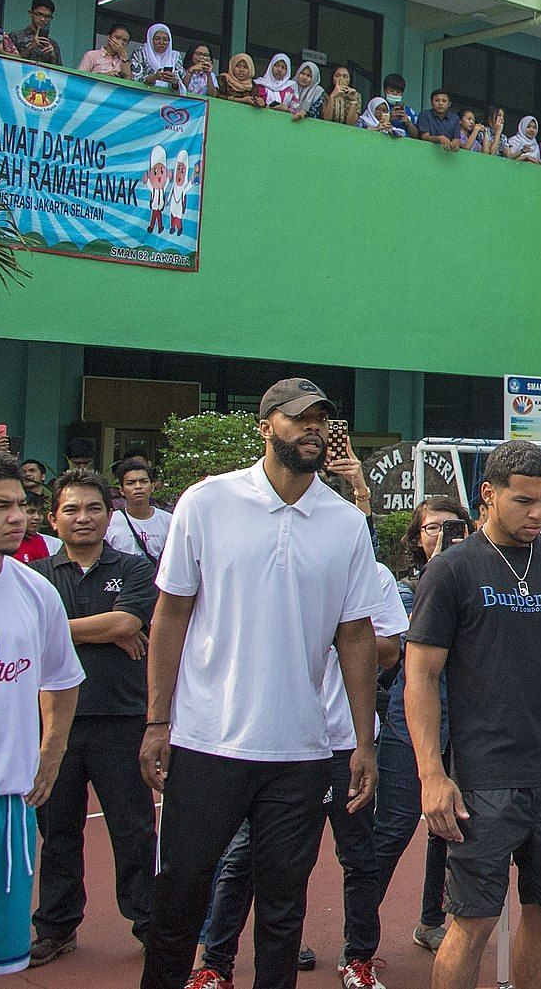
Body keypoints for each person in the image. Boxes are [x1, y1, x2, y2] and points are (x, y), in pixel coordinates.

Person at [138, 378, 387, 989]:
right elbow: (170, 613)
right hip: (205, 742)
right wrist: (157, 720)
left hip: (300, 752)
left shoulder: (345, 523)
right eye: (298, 418)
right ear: (264, 426)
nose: (313, 429)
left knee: (284, 913)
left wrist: (363, 741)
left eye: (322, 420)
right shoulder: (206, 502)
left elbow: (355, 636)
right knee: (178, 903)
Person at [406, 441, 541, 989]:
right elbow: (420, 677)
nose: (539, 514)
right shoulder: (452, 570)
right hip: (485, 779)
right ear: (488, 494)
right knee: (473, 921)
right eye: (524, 501)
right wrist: (433, 774)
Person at [197, 457, 406, 989]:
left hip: (342, 740)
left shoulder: (374, 577)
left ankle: (358, 957)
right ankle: (215, 964)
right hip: (278, 739)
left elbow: (387, 651)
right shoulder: (263, 549)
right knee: (245, 856)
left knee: (358, 855)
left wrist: (339, 626)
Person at [0, 446, 85, 987]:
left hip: (8, 813)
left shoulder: (36, 591)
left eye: (23, 504)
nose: (18, 517)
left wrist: (52, 753)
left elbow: (63, 678)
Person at [27, 469, 157, 966]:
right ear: (53, 517)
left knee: (134, 830)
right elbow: (30, 638)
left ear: (110, 514)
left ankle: (150, 924)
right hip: (54, 726)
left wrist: (60, 630)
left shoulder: (137, 569)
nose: (83, 518)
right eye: (72, 510)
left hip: (120, 719)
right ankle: (56, 927)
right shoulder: (35, 577)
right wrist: (98, 630)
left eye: (94, 508)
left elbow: (127, 622)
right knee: (57, 830)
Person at [366, 498, 469, 957]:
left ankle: (431, 920)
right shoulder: (406, 591)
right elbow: (401, 652)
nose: (443, 535)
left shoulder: (476, 582)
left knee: (447, 831)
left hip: (466, 724)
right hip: (413, 723)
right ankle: (359, 936)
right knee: (392, 830)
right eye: (433, 529)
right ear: (417, 538)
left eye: (453, 528)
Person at [131, 24, 183, 92]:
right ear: (150, 40)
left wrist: (174, 81)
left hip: (167, 98)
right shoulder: (141, 53)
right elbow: (134, 78)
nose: (161, 42)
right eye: (157, 39)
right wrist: (154, 77)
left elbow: (181, 83)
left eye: (165, 39)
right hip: (142, 96)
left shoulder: (175, 56)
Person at [9, 0, 60, 67]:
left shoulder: (53, 44)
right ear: (30, 13)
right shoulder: (15, 36)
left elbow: (60, 74)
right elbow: (8, 64)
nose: (43, 19)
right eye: (39, 14)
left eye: (47, 16)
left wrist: (53, 56)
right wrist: (30, 47)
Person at [7, 492, 53, 564]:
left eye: (40, 512)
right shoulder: (3, 539)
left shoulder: (38, 542)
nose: (37, 517)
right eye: (31, 512)